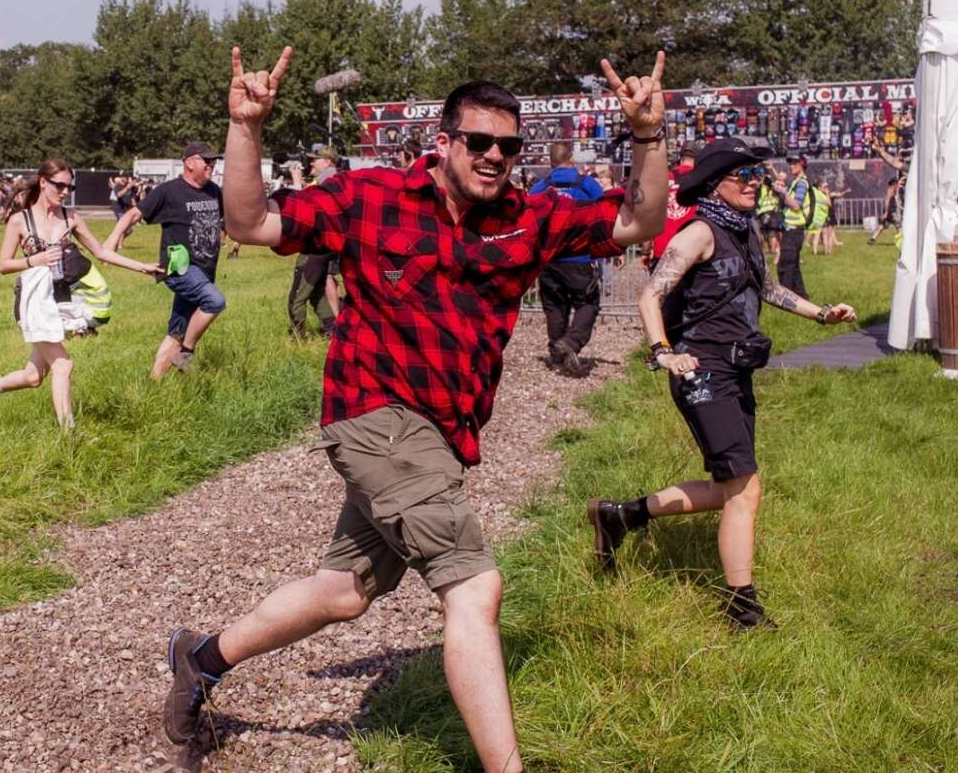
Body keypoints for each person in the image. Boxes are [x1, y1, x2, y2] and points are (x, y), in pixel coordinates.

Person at [160, 46, 671, 770]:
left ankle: (201, 661)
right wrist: (246, 127)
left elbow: (636, 223)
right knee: (475, 584)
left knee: (344, 592)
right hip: (372, 412)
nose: (495, 157)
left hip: (440, 434)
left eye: (508, 145)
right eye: (480, 142)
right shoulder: (371, 199)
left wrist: (648, 136)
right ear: (445, 141)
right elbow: (250, 223)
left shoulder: (528, 218)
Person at [587, 136, 855, 630]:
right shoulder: (699, 233)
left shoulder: (744, 229)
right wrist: (664, 352)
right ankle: (741, 606)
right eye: (743, 176)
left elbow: (766, 287)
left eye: (757, 175)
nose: (755, 183)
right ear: (714, 186)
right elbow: (651, 296)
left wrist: (822, 314)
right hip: (700, 370)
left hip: (736, 368)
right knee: (745, 489)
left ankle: (619, 516)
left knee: (729, 487)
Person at [0, 159, 162, 429]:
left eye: (68, 187)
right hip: (33, 301)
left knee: (33, 377)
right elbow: (3, 265)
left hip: (58, 301)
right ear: (43, 182)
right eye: (59, 186)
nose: (64, 192)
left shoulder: (70, 217)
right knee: (63, 365)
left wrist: (143, 267)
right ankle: (68, 438)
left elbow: (101, 252)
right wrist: (33, 260)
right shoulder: (19, 221)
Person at [108, 141, 230, 380]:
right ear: (189, 162)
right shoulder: (169, 190)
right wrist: (112, 240)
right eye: (207, 161)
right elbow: (134, 213)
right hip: (179, 267)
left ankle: (154, 384)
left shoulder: (214, 191)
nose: (211, 165)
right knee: (215, 301)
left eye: (213, 161)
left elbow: (229, 222)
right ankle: (186, 353)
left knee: (177, 331)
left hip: (205, 270)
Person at [528, 140, 606, 377]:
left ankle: (556, 353)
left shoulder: (539, 188)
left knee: (554, 306)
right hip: (579, 258)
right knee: (588, 302)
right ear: (571, 158)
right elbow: (604, 213)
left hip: (548, 259)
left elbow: (530, 221)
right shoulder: (588, 185)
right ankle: (571, 343)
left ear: (551, 162)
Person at [285, 146, 343, 340]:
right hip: (326, 247)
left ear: (327, 162)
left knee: (296, 299)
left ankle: (297, 339)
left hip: (315, 247)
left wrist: (295, 183)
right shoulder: (335, 179)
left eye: (314, 160)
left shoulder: (327, 182)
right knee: (317, 293)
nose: (310, 163)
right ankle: (332, 330)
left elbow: (304, 209)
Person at [770, 154, 811, 299]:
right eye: (790, 163)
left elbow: (795, 205)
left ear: (802, 165)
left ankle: (785, 298)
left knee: (785, 266)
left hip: (794, 230)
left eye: (794, 163)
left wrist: (783, 192)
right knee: (793, 266)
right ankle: (802, 296)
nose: (791, 166)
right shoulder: (796, 182)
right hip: (793, 230)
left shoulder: (801, 183)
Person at [870, 142, 908, 243]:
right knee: (897, 226)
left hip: (898, 208)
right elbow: (894, 163)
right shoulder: (894, 186)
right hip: (895, 208)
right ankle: (901, 244)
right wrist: (881, 152)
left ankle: (873, 238)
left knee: (884, 225)